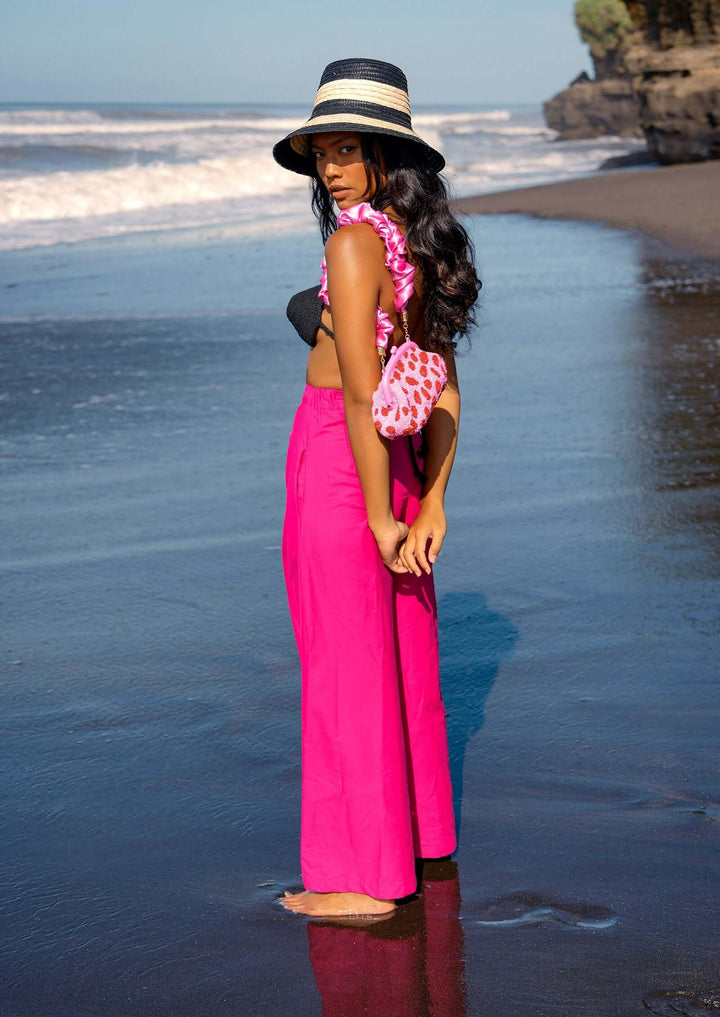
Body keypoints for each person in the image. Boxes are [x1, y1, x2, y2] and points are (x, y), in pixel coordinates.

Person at [272, 58, 480, 918]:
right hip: (396, 460)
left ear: (388, 157)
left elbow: (360, 393)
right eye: (323, 150)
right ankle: (424, 841)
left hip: (340, 456)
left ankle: (359, 880)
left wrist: (372, 513)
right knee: (401, 654)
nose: (330, 167)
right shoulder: (421, 248)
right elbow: (444, 389)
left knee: (343, 664)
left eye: (348, 149)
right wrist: (428, 500)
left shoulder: (353, 242)